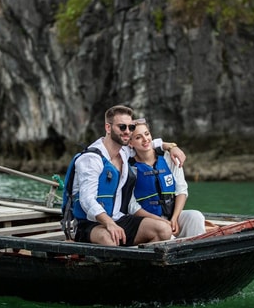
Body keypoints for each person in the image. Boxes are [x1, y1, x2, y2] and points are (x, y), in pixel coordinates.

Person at [70, 105, 185, 246]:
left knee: (164, 230)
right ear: (108, 128)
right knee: (110, 240)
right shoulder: (91, 159)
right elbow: (87, 200)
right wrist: (109, 223)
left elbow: (146, 143)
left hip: (118, 218)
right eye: (122, 127)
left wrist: (171, 146)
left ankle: (137, 262)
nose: (127, 132)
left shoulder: (124, 152)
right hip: (89, 223)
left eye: (130, 127)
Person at [128, 118, 206, 238]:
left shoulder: (169, 157)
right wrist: (163, 222)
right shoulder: (129, 167)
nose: (145, 139)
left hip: (171, 215)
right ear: (130, 143)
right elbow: (132, 206)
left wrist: (174, 218)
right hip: (148, 221)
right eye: (138, 137)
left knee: (195, 217)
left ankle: (199, 252)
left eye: (147, 134)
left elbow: (181, 190)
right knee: (165, 232)